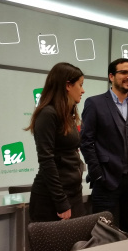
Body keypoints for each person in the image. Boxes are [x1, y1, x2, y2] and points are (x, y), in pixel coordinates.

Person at [80, 58, 128, 236]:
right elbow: (85, 141)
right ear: (111, 76)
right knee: (105, 235)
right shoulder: (94, 103)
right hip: (105, 182)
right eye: (124, 73)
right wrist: (97, 173)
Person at [25, 62, 86, 222]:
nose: (82, 90)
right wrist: (61, 202)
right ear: (68, 85)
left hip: (73, 195)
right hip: (52, 200)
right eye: (80, 85)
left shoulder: (68, 115)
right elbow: (47, 160)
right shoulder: (48, 114)